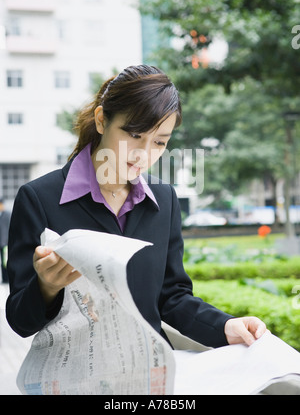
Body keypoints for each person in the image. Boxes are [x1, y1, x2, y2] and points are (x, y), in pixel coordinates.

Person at [6, 65, 266, 350]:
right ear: (102, 120)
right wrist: (46, 287)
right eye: (133, 135)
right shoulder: (38, 199)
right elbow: (19, 322)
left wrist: (225, 325)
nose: (143, 154)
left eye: (159, 142)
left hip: (150, 374)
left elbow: (172, 297)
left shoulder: (164, 199)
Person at [0, 198, 11, 283]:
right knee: (2, 261)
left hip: (6, 243)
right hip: (1, 242)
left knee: (6, 261)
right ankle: (4, 278)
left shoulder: (7, 214)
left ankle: (7, 278)